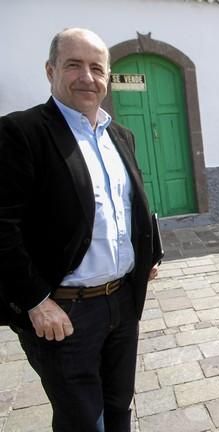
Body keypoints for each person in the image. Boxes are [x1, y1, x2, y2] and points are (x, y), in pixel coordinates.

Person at [0, 28, 157, 431]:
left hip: (121, 303)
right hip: (63, 313)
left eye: (96, 68)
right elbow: (2, 227)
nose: (87, 77)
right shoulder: (21, 132)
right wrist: (36, 300)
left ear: (107, 77)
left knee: (119, 406)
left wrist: (147, 254)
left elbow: (129, 205)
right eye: (74, 65)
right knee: (81, 419)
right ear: (50, 70)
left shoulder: (120, 135)